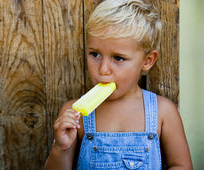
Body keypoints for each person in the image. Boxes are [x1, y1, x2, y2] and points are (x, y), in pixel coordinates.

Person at [45, 0, 192, 169]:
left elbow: (182, 165)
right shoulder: (75, 113)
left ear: (147, 60)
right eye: (95, 54)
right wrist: (61, 148)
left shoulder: (163, 111)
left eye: (118, 58)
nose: (103, 69)